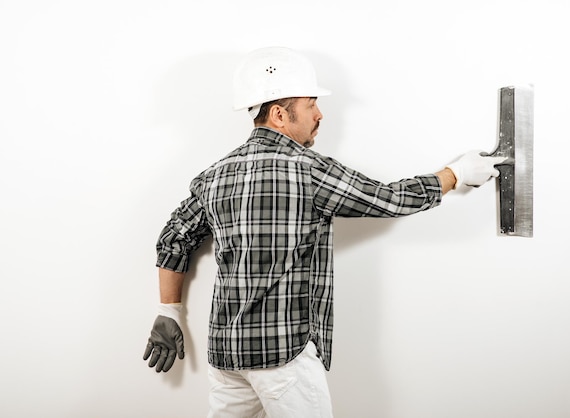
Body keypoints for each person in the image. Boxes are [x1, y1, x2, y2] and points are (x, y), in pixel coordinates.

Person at [143, 46, 505, 418]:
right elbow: (389, 199)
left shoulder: (214, 176)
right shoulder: (308, 170)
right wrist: (455, 174)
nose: (320, 114)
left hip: (227, 355)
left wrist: (167, 311)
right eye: (311, 104)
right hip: (282, 356)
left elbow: (174, 238)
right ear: (280, 114)